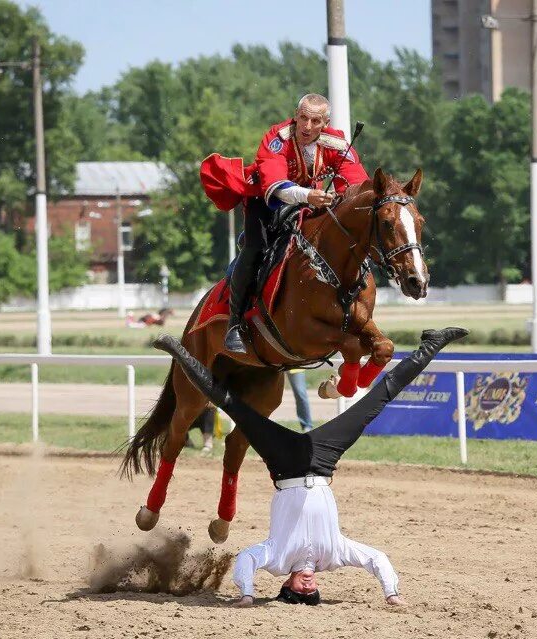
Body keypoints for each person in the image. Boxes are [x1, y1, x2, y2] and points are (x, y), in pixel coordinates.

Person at [149, 327, 468, 607]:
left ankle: (179, 352)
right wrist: (392, 593)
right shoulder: (336, 555)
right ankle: (432, 343)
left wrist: (246, 593)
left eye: (299, 593)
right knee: (378, 400)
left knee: (228, 402)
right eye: (311, 594)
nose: (307, 588)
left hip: (283, 463)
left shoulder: (277, 558)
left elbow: (246, 559)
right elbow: (376, 559)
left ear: (287, 585)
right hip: (322, 461)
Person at [200, 93, 369, 354]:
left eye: (315, 121)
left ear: (325, 123)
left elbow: (354, 184)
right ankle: (235, 324)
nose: (307, 126)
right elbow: (274, 184)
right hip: (265, 199)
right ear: (296, 115)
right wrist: (309, 195)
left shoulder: (336, 143)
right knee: (256, 248)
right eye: (303, 118)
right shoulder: (277, 138)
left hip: (306, 199)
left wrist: (346, 200)